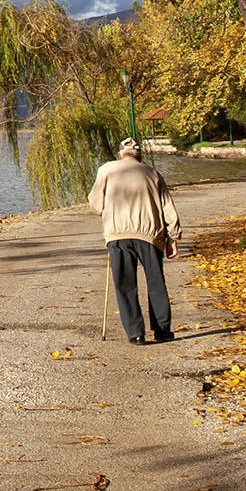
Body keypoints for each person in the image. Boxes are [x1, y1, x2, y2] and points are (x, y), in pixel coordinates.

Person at [90, 138, 179, 344]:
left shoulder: (107, 170)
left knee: (125, 284)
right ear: (139, 155)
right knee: (156, 281)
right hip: (150, 235)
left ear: (120, 154)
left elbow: (95, 205)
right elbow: (168, 209)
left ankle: (135, 333)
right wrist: (172, 238)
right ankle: (162, 330)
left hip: (118, 235)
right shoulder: (153, 173)